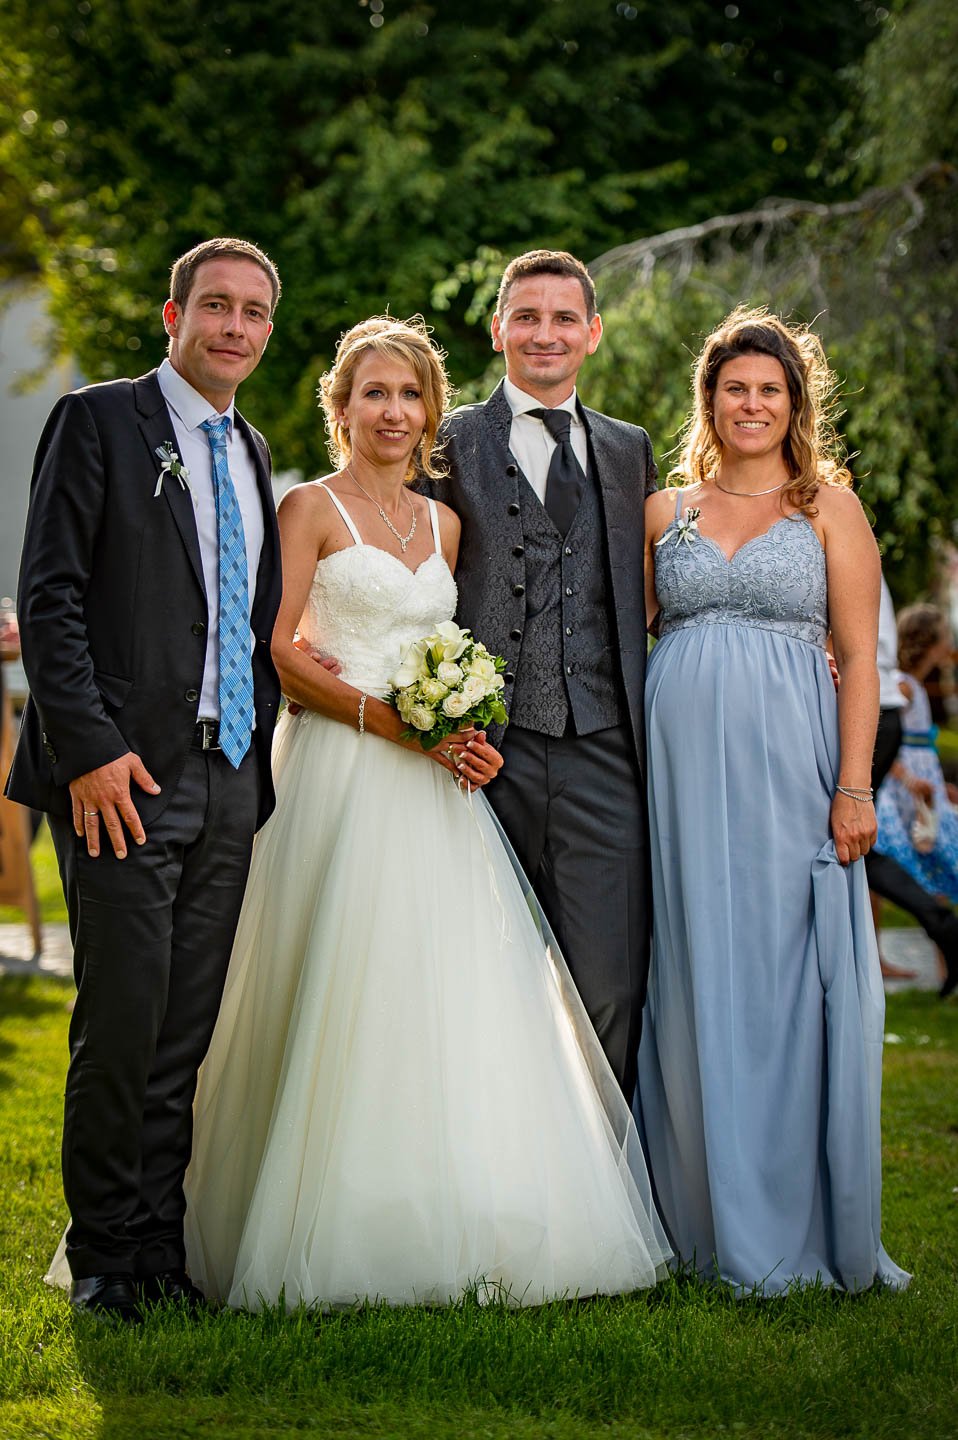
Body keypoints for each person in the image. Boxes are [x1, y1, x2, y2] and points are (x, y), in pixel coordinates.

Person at [181, 315, 670, 1310]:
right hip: (340, 771)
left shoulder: (446, 525)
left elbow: (457, 649)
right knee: (336, 979)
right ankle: (315, 1215)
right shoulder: (308, 508)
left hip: (435, 786)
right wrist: (386, 721)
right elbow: (274, 647)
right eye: (374, 393)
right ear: (341, 407)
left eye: (410, 395)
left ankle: (450, 1203)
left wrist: (464, 724)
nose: (393, 412)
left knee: (442, 993)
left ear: (431, 413)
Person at [8, 237, 284, 1320]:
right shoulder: (99, 420)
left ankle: (159, 1251)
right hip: (121, 778)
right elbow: (52, 595)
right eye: (214, 305)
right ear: (173, 318)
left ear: (267, 332)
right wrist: (87, 750)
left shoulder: (254, 449)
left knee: (183, 1033)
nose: (233, 327)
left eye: (252, 312)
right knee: (122, 1024)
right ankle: (103, 1260)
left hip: (227, 776)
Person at [637, 304, 910, 1294]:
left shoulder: (829, 509)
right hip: (679, 779)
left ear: (794, 404)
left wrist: (853, 787)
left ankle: (791, 1217)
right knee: (693, 968)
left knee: (788, 977)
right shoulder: (664, 512)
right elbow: (627, 638)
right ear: (709, 399)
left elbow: (860, 660)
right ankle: (693, 1218)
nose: (750, 404)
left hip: (795, 771)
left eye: (769, 389)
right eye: (734, 388)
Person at [435, 250, 657, 1102]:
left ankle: (607, 1167)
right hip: (484, 753)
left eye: (565, 318)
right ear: (498, 329)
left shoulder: (629, 450)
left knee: (611, 984)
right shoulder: (447, 439)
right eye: (526, 316)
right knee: (483, 978)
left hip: (606, 746)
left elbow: (657, 580)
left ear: (592, 333)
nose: (545, 334)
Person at [867, 581, 958, 994]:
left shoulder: (903, 686)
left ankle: (942, 936)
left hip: (914, 782)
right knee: (876, 855)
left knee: (872, 855)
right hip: (901, 788)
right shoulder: (904, 684)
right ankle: (935, 933)